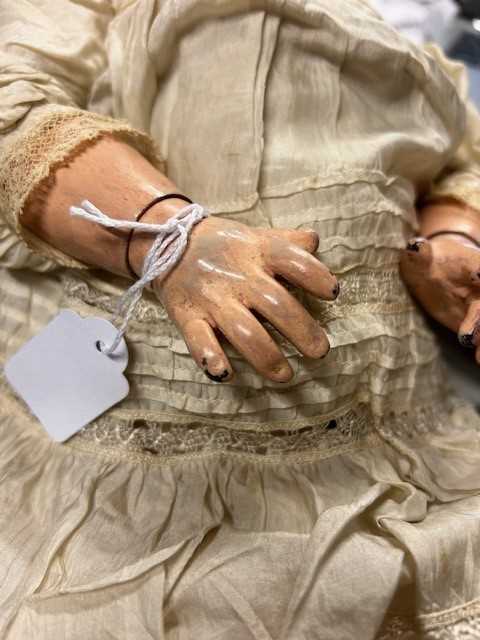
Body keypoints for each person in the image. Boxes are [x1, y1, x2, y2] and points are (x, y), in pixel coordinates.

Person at [1, 1, 480, 638]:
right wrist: (168, 236)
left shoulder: (424, 21)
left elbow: (459, 158)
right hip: (139, 455)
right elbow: (14, 94)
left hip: (402, 440)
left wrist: (456, 239)